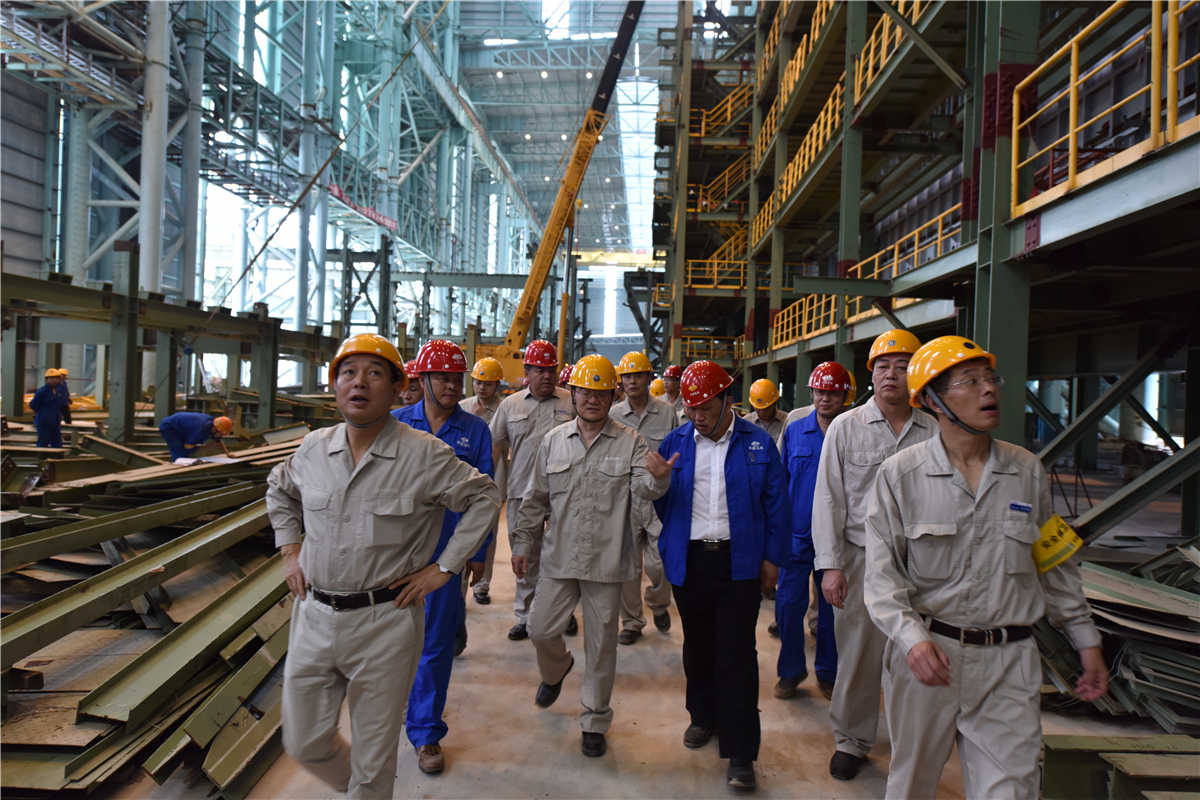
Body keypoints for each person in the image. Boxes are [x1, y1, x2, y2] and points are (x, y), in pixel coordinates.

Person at [866, 335, 1107, 798]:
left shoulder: (1027, 471)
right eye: (969, 381)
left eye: (990, 378)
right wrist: (911, 639)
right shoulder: (900, 476)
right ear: (932, 400)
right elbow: (881, 577)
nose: (989, 389)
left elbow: (1053, 564)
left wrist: (1086, 640)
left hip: (1008, 662)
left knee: (1013, 789)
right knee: (912, 784)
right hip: (929, 657)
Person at [267, 333, 499, 800]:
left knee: (373, 761)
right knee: (305, 742)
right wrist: (290, 550)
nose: (359, 383)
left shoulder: (423, 454)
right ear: (334, 385)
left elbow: (485, 496)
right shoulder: (313, 449)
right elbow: (280, 488)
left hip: (384, 621)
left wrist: (445, 567)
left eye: (374, 373)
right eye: (348, 373)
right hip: (314, 615)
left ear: (397, 388)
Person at [512, 354, 672, 757]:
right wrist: (523, 543)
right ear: (574, 394)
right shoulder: (553, 441)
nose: (592, 399)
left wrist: (659, 480)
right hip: (560, 558)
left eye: (601, 393)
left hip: (607, 560)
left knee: (601, 647)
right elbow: (535, 498)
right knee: (540, 629)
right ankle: (556, 669)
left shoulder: (631, 442)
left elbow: (644, 490)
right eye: (585, 392)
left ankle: (595, 718)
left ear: (612, 396)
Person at [654, 360, 789, 792]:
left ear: (727, 399)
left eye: (706, 407)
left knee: (736, 654)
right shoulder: (676, 442)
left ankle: (741, 751)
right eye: (691, 408)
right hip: (690, 561)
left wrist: (773, 559)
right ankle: (703, 717)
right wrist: (658, 484)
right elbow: (662, 505)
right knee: (697, 647)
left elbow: (777, 504)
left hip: (739, 562)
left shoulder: (757, 443)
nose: (698, 416)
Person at [812, 329, 935, 781]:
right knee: (859, 655)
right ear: (871, 373)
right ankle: (852, 739)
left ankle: (912, 743)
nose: (891, 375)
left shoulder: (933, 430)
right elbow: (828, 499)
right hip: (861, 558)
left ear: (915, 374)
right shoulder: (846, 428)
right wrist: (830, 566)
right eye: (883, 366)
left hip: (920, 563)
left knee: (914, 654)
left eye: (902, 367)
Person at [391, 339, 493, 776]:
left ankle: (426, 731)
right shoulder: (396, 425)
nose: (451, 385)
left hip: (444, 559)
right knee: (392, 644)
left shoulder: (476, 431)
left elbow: (487, 494)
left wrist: (479, 552)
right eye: (442, 378)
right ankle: (398, 708)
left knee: (434, 645)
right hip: (394, 557)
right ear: (423, 379)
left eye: (457, 378)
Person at [774, 362, 853, 702]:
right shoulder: (795, 431)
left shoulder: (852, 432)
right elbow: (780, 483)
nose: (825, 398)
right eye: (820, 392)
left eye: (832, 393)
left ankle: (828, 672)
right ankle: (791, 671)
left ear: (844, 396)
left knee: (832, 610)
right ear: (811, 393)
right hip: (796, 535)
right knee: (787, 606)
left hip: (836, 537)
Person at [491, 339, 577, 641]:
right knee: (524, 557)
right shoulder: (510, 405)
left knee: (562, 557)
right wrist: (490, 487)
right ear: (527, 371)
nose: (547, 376)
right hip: (521, 493)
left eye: (551, 370)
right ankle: (525, 616)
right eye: (540, 370)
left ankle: (562, 613)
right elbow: (495, 446)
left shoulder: (571, 402)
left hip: (562, 494)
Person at [610, 351, 679, 644]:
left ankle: (659, 603)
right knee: (627, 566)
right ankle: (632, 622)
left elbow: (677, 453)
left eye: (638, 375)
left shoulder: (666, 412)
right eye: (627, 376)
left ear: (649, 378)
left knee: (660, 563)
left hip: (658, 499)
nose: (632, 381)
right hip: (624, 498)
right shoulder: (613, 415)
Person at [461, 356, 505, 605]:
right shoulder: (462, 407)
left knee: (487, 534)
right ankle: (459, 582)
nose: (482, 387)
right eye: (478, 382)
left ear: (497, 384)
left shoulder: (506, 409)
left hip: (493, 481)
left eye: (488, 383)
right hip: (462, 481)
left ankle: (482, 584)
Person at [158, 411, 234, 461]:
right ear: (216, 429)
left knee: (188, 451)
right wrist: (203, 449)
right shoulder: (200, 430)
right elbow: (188, 447)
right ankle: (177, 470)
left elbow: (218, 439)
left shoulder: (213, 424)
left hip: (182, 427)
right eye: (221, 433)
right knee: (181, 453)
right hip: (170, 427)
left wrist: (227, 453)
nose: (221, 435)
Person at [30, 368, 67, 447]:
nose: (55, 380)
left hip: (55, 422)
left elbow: (59, 405)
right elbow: (33, 405)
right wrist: (43, 414)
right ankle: (41, 455)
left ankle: (56, 455)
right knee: (43, 443)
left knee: (57, 443)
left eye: (57, 378)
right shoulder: (42, 391)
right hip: (44, 422)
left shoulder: (58, 391)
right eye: (52, 378)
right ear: (47, 379)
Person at [743, 378, 784, 444]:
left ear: (774, 403)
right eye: (758, 409)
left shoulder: (786, 421)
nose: (762, 412)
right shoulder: (746, 422)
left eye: (766, 409)